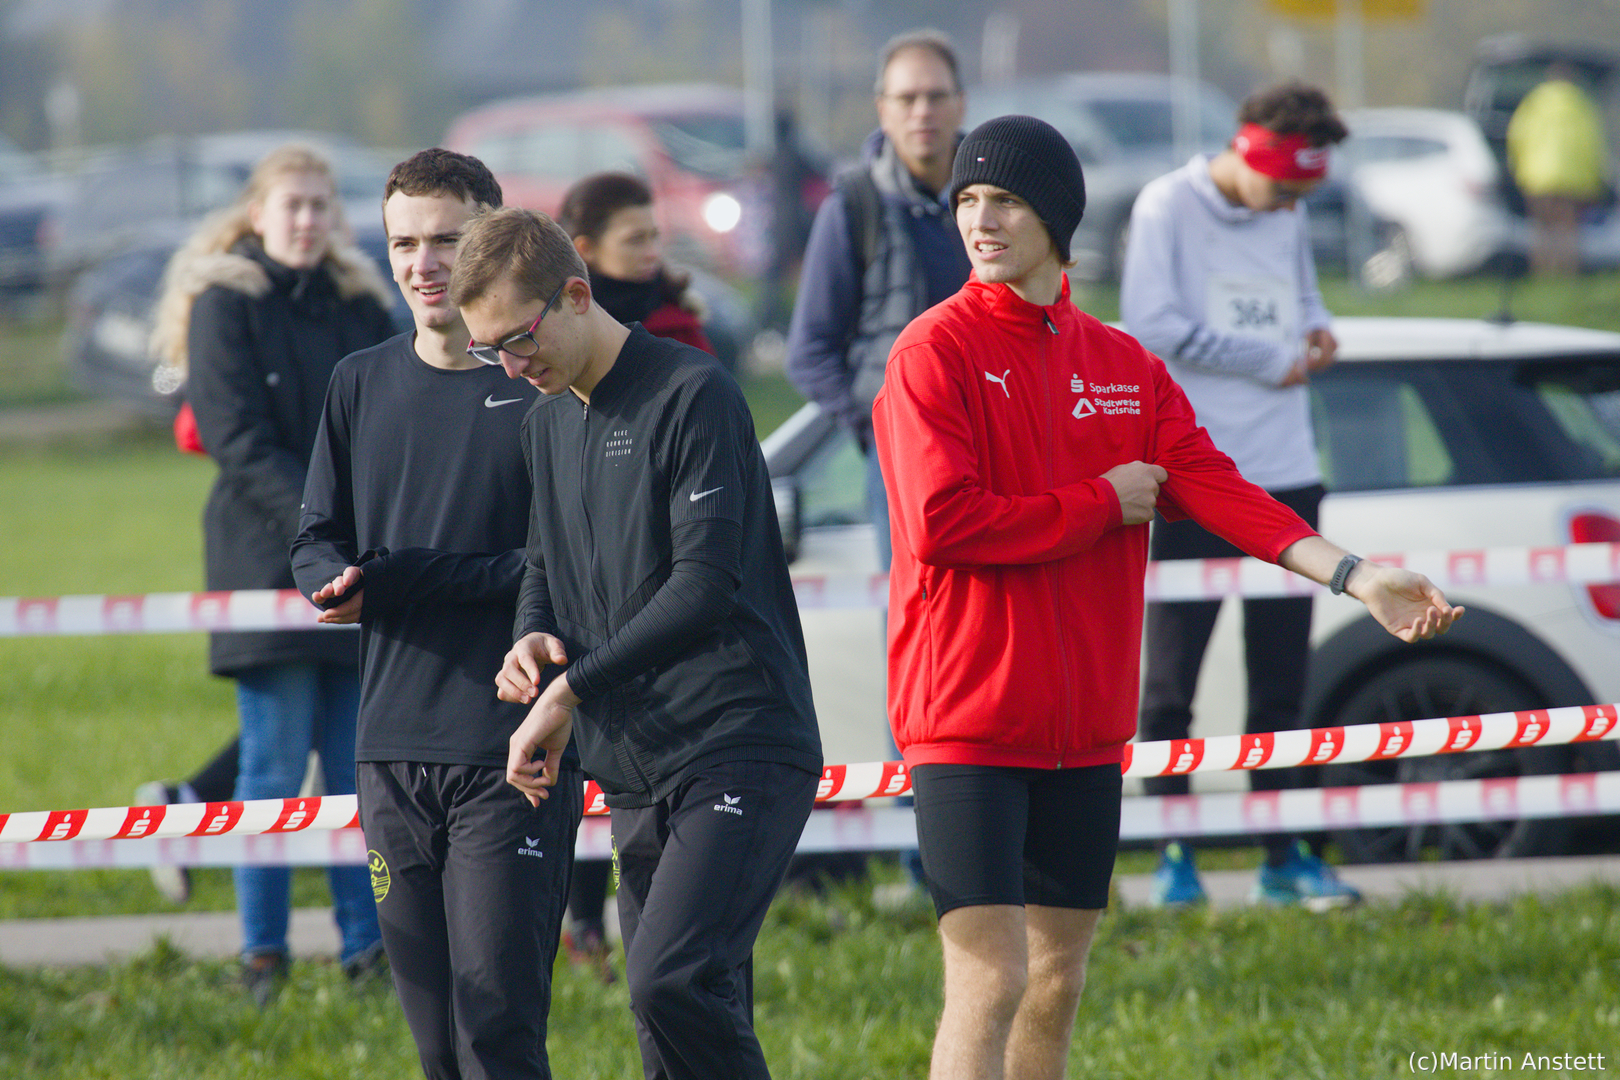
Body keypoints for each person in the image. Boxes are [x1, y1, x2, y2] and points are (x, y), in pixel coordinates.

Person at [871, 114, 1462, 1080]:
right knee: (989, 983)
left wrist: (1356, 576)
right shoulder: (930, 353)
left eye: (1006, 200)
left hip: (1087, 729)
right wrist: (1100, 502)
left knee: (1057, 981)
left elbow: (1221, 489)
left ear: (1057, 217)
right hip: (968, 722)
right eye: (967, 201)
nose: (981, 219)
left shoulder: (1123, 366)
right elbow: (943, 524)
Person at [451, 206, 822, 1080]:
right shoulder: (543, 424)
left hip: (738, 742)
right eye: (487, 351)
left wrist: (567, 692)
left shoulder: (694, 393)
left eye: (519, 337)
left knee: (673, 982)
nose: (509, 365)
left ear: (577, 295)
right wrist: (531, 638)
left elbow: (703, 587)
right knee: (670, 1025)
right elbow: (543, 564)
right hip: (635, 762)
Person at [289, 149, 580, 1079]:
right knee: (435, 1052)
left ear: (495, 237)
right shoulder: (359, 381)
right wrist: (331, 580)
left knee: (494, 1035)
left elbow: (565, 567)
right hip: (389, 753)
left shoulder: (546, 390)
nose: (423, 264)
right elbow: (314, 537)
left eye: (446, 241)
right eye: (402, 244)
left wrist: (405, 578)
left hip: (512, 749)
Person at [148, 143, 395, 1004]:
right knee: (273, 765)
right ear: (258, 212)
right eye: (292, 204)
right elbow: (236, 437)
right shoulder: (225, 302)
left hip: (355, 558)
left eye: (321, 205)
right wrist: (322, 523)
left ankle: (367, 950)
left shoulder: (361, 302)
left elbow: (395, 419)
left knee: (357, 763)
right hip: (262, 554)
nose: (307, 220)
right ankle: (263, 953)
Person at [1120, 81, 1357, 910]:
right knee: (1169, 683)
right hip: (1196, 475)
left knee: (1282, 682)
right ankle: (1174, 853)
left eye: (1304, 194)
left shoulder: (1282, 214)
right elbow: (1151, 326)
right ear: (1249, 151)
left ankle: (1285, 854)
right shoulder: (1164, 208)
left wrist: (1320, 325)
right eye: (1285, 187)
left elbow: (1298, 298)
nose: (1291, 206)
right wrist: (1269, 360)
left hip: (1287, 467)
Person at [785, 26, 972, 891]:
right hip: (900, 472)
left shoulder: (994, 191)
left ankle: (997, 843)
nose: (923, 111)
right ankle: (927, 851)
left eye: (936, 94)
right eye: (907, 97)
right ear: (882, 111)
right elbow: (811, 353)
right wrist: (880, 432)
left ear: (961, 103)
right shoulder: (852, 203)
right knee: (925, 648)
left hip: (1011, 459)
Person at [551, 169, 717, 983]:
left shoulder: (679, 335)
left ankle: (614, 931)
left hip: (672, 596)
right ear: (584, 258)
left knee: (676, 977)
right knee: (586, 764)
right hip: (592, 608)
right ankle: (582, 922)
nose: (653, 251)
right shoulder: (547, 361)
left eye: (657, 235)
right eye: (636, 238)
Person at [1507, 62, 1611, 275]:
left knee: (1542, 228)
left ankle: (1543, 272)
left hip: (1537, 175)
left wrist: (1518, 170)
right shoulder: (1582, 105)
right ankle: (1566, 273)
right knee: (1568, 229)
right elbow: (1591, 145)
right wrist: (1594, 180)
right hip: (1571, 177)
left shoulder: (1534, 103)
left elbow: (1517, 136)